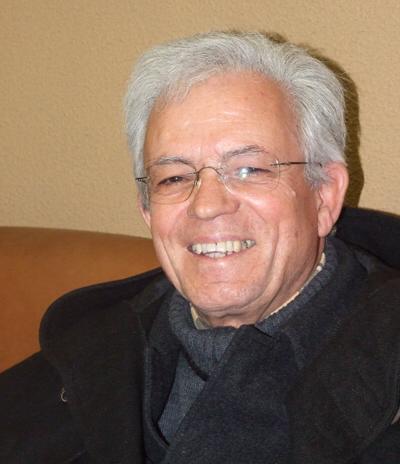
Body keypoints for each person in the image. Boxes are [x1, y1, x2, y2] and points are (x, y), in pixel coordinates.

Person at [1, 31, 400, 464]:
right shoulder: (91, 349)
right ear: (147, 209)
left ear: (324, 196)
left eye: (249, 169)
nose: (207, 205)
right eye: (173, 177)